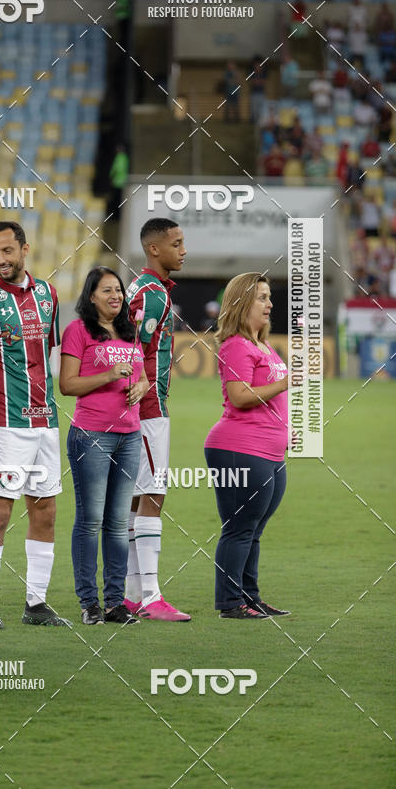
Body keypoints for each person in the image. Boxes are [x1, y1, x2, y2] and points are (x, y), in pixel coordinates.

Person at [0, 221, 70, 629]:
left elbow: (49, 355)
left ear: (25, 249)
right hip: (3, 423)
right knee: (0, 513)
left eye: (7, 251)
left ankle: (36, 604)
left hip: (45, 421)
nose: (0, 260)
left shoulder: (49, 294)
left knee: (45, 512)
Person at [60, 267, 149, 625]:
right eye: (107, 290)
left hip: (129, 435)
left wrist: (141, 387)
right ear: (91, 296)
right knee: (90, 520)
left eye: (119, 291)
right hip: (91, 435)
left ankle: (115, 603)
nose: (116, 296)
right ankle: (89, 603)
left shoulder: (130, 333)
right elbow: (67, 385)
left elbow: (142, 376)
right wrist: (109, 375)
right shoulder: (78, 331)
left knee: (116, 523)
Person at [204, 273, 290, 619]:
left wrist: (286, 430)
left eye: (269, 297)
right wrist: (286, 382)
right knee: (239, 528)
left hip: (268, 450)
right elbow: (240, 397)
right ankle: (229, 603)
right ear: (242, 303)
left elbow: (269, 401)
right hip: (239, 448)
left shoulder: (263, 346)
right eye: (262, 298)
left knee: (253, 529)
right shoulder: (236, 345)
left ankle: (249, 597)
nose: (270, 304)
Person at [123, 218, 191, 621]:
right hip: (148, 409)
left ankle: (133, 594)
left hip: (139, 408)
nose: (184, 250)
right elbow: (131, 347)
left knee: (137, 500)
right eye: (177, 244)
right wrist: (142, 390)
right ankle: (150, 596)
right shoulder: (153, 295)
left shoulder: (147, 290)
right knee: (153, 495)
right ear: (154, 249)